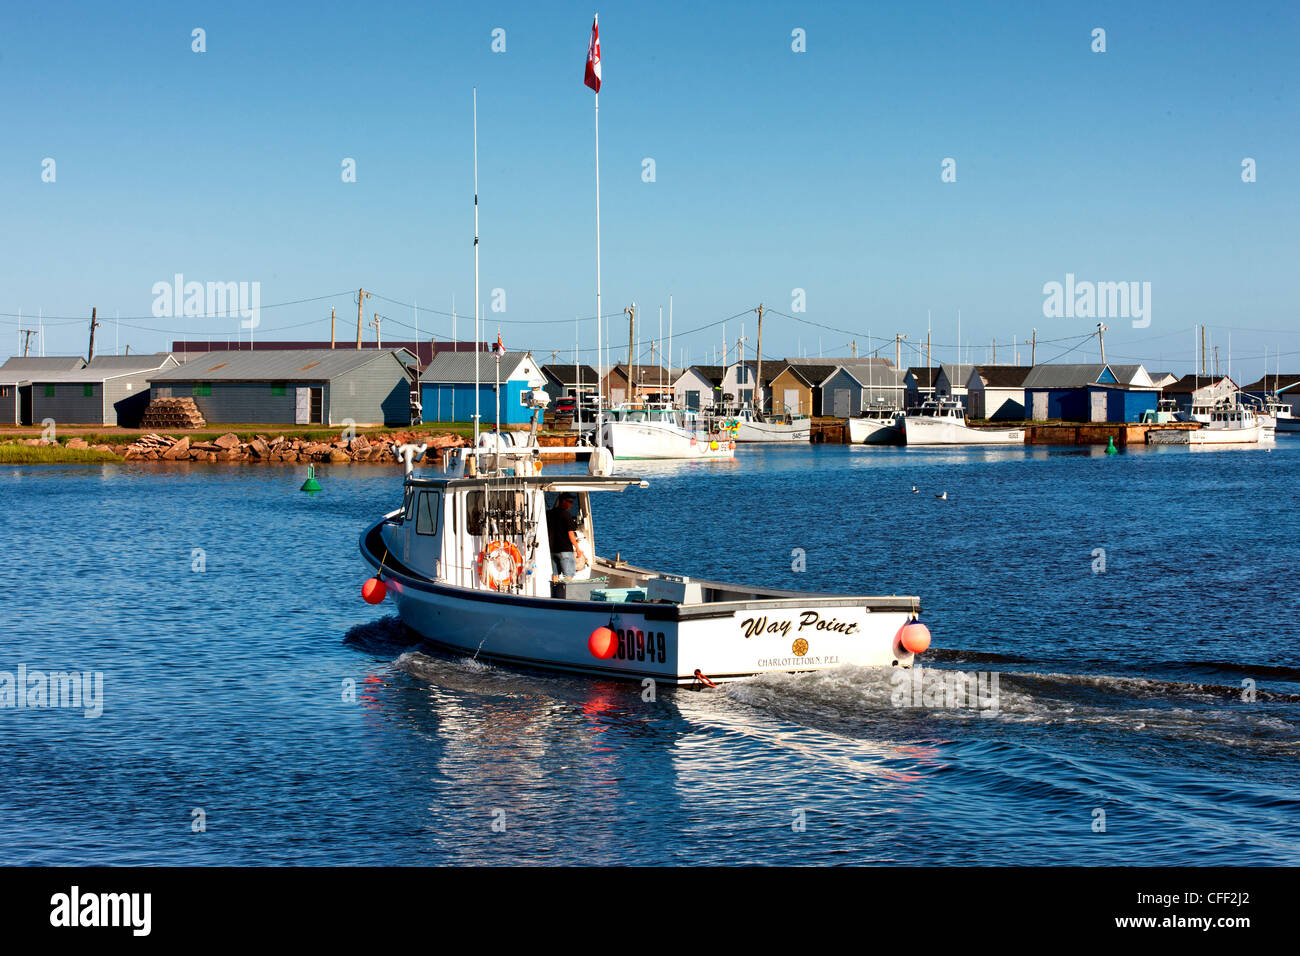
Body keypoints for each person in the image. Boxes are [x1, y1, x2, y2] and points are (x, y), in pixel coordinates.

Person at [548, 492, 580, 578]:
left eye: (573, 502)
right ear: (563, 502)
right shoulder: (566, 515)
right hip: (565, 550)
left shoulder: (549, 514)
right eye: (570, 502)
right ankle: (567, 591)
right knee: (569, 576)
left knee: (555, 575)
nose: (572, 504)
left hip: (552, 550)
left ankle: (555, 591)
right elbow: (570, 534)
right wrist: (577, 549)